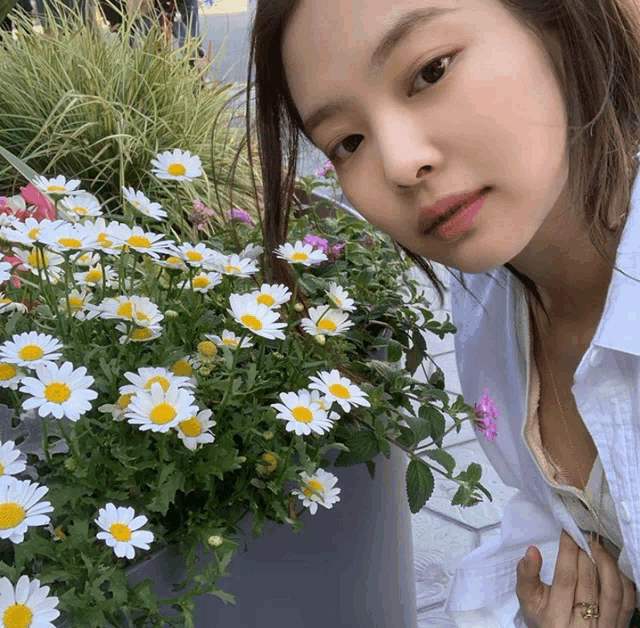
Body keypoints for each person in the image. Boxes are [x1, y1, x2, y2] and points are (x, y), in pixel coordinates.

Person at [241, 0, 640, 626]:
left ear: (557, 27)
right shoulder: (487, 304)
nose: (400, 163)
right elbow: (547, 525)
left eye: (430, 71)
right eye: (347, 141)